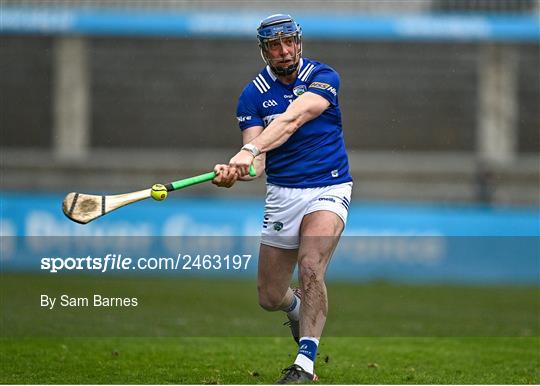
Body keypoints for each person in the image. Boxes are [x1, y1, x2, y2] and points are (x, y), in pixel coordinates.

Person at [213, 13, 353, 384]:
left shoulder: (324, 77)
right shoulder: (253, 94)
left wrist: (251, 150)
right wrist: (235, 172)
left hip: (329, 186)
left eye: (289, 42)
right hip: (282, 193)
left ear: (299, 42)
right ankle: (294, 310)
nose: (284, 50)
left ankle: (304, 364)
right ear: (264, 51)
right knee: (270, 295)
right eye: (274, 45)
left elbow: (293, 119)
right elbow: (255, 166)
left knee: (310, 267)